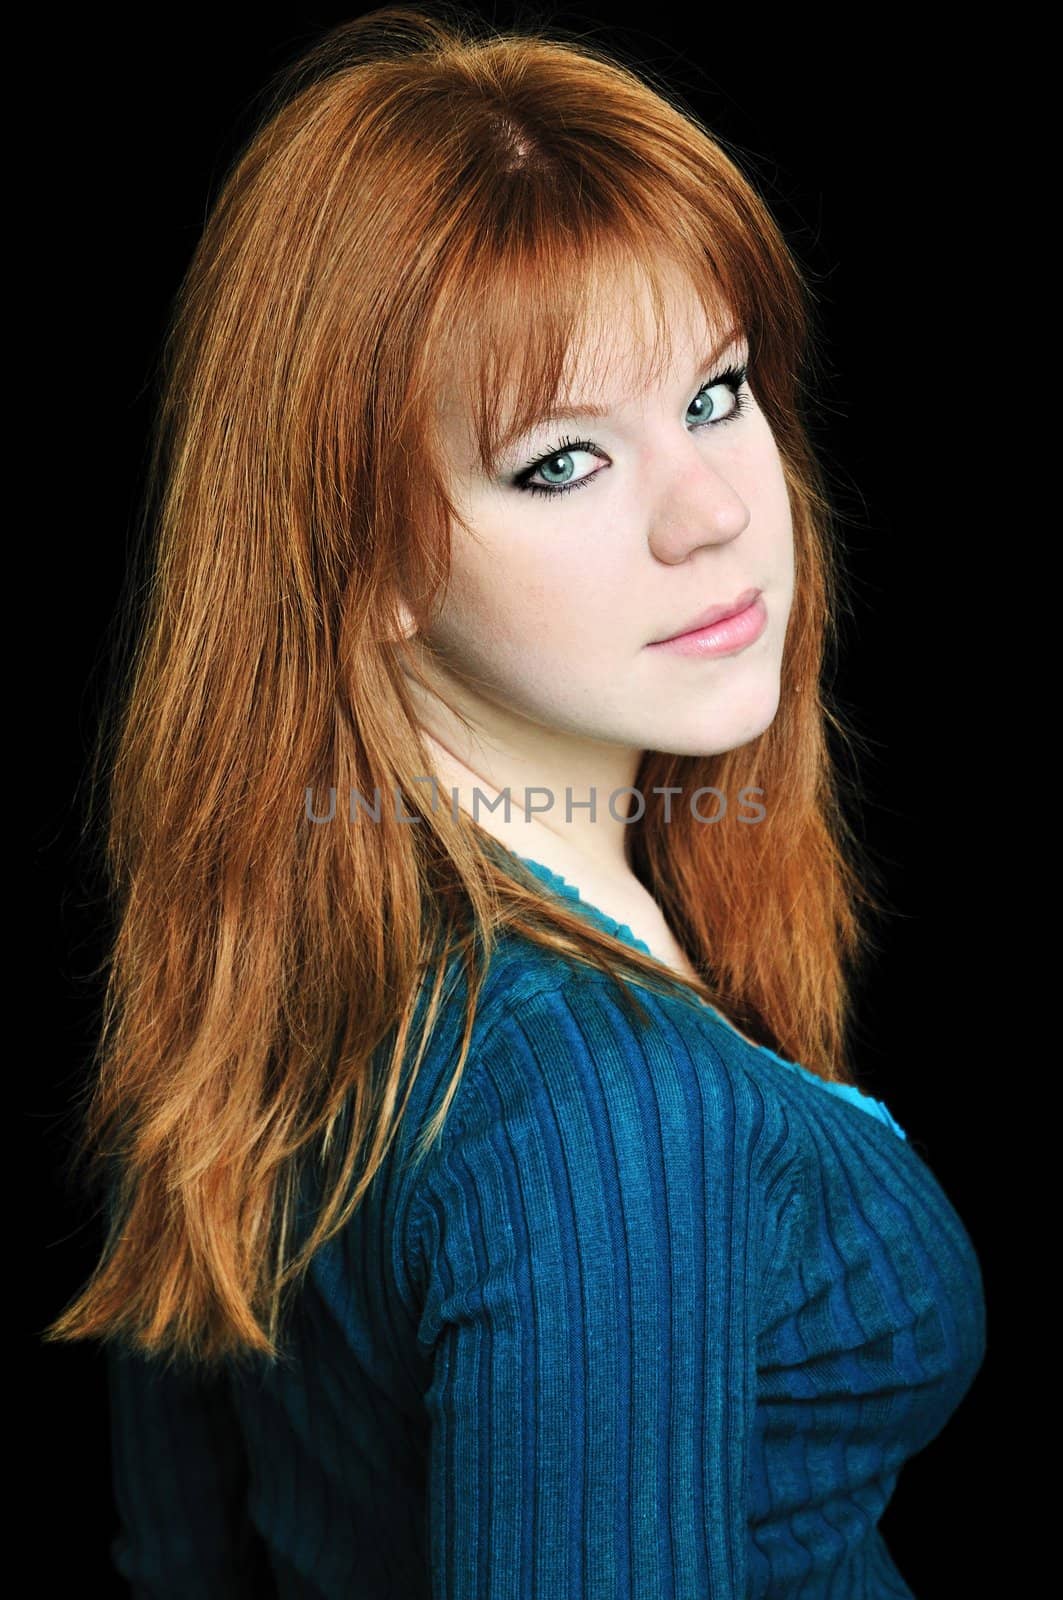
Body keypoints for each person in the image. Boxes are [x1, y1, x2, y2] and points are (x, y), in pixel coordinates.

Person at [44, 7, 986, 1596]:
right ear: (363, 556)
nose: (711, 514)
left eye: (715, 392)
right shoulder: (611, 1117)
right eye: (561, 461)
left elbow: (183, 1555)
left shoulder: (256, 958)